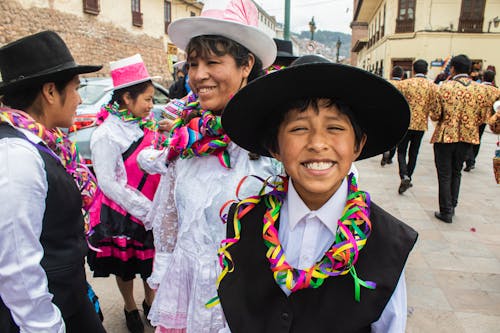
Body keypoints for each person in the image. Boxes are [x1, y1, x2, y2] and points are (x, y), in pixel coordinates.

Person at [217, 55, 418, 332]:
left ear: (358, 145)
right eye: (299, 129)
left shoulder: (388, 243)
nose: (318, 144)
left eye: (335, 128)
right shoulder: (244, 223)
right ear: (275, 147)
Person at [140, 0, 281, 332]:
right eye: (192, 64)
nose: (198, 75)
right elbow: (170, 222)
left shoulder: (275, 142)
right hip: (189, 300)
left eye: (212, 62)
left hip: (248, 306)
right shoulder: (188, 140)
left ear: (246, 65)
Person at [0, 30, 106, 332]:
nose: (79, 99)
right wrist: (45, 326)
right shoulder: (15, 154)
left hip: (67, 296)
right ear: (49, 92)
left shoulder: (45, 143)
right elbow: (17, 266)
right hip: (45, 314)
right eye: (75, 88)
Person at [87, 54, 163, 333]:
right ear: (127, 99)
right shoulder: (106, 134)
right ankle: (130, 306)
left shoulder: (145, 124)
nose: (151, 106)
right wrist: (145, 209)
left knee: (149, 263)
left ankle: (150, 302)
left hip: (150, 207)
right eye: (147, 99)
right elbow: (108, 182)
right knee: (126, 266)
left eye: (153, 99)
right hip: (122, 211)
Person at [430, 54, 491, 223]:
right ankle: (453, 205)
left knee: (444, 174)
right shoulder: (480, 89)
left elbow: (435, 115)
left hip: (445, 137)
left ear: (453, 68)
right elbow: (482, 117)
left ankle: (446, 210)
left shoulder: (444, 87)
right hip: (467, 137)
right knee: (457, 171)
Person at [396, 59, 438, 194]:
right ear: (426, 71)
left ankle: (404, 175)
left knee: (401, 151)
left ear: (413, 70)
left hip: (405, 123)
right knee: (414, 152)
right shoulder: (432, 86)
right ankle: (409, 175)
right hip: (420, 125)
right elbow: (434, 107)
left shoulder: (404, 84)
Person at [464, 69, 500, 171]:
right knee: (478, 138)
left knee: (469, 137)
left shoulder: (476, 87)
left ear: (483, 77)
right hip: (486, 118)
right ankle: (472, 159)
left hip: (473, 116)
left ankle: (469, 159)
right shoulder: (496, 91)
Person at [380, 65, 405, 166]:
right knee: (395, 138)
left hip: (386, 114)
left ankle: (385, 151)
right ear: (402, 75)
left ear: (391, 74)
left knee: (385, 135)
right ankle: (390, 156)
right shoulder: (405, 85)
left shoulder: (386, 83)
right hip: (399, 116)